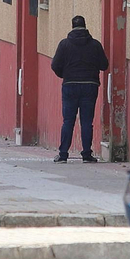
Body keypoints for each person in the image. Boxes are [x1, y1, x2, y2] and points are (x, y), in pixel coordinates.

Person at [50, 15, 109, 163]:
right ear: (85, 26)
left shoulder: (64, 45)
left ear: (72, 27)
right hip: (90, 85)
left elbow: (55, 65)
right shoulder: (95, 45)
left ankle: (63, 154)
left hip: (70, 85)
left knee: (68, 121)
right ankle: (87, 154)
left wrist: (65, 75)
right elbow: (104, 65)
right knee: (87, 122)